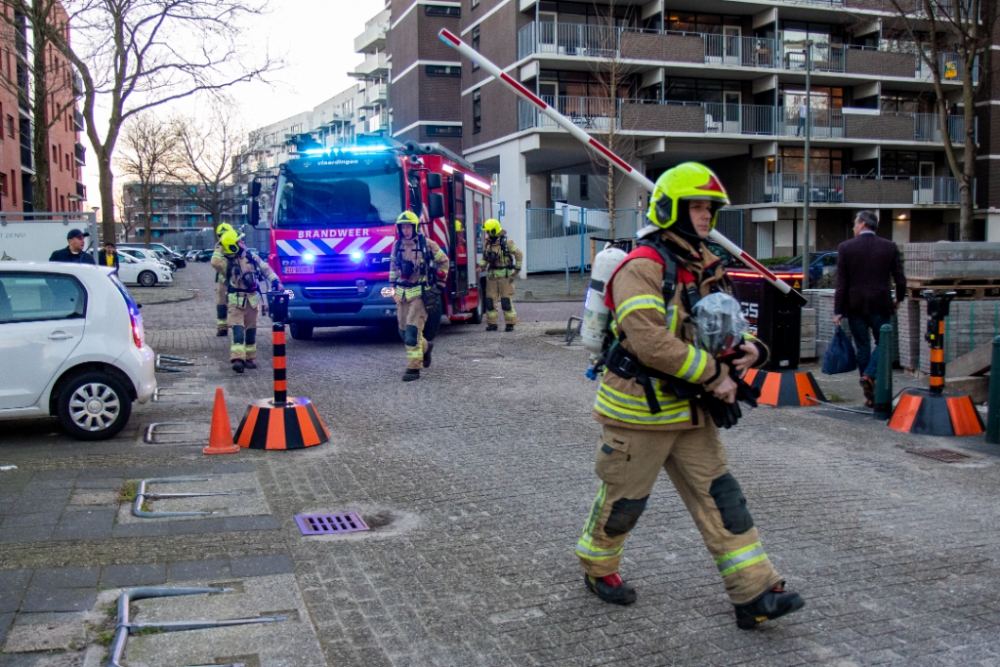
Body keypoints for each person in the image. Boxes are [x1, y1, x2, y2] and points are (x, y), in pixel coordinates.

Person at [574, 162, 804, 630]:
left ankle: (754, 591)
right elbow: (649, 342)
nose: (705, 217)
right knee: (623, 503)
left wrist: (751, 350)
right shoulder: (641, 266)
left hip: (692, 411)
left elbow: (727, 322)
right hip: (639, 413)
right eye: (696, 207)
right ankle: (597, 568)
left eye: (709, 208)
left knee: (723, 499)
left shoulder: (706, 263)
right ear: (670, 209)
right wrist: (716, 376)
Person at [834, 210, 906, 408]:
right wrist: (899, 298)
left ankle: (868, 393)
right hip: (880, 304)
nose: (854, 228)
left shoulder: (846, 248)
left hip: (854, 305)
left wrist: (838, 311)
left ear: (863, 224)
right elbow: (900, 278)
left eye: (855, 224)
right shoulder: (889, 247)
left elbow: (841, 283)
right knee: (884, 343)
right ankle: (870, 375)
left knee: (862, 347)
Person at [211, 230, 281, 374]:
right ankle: (238, 359)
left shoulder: (251, 257)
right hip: (235, 304)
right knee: (237, 330)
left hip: (252, 301)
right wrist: (220, 246)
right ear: (232, 246)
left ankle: (249, 358)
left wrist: (276, 280)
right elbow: (214, 262)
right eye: (238, 242)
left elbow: (266, 268)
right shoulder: (227, 263)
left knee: (251, 331)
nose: (242, 243)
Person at [389, 211, 448, 382]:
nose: (405, 230)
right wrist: (392, 285)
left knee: (412, 332)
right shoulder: (396, 246)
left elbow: (443, 261)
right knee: (402, 331)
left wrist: (439, 283)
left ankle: (414, 368)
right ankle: (426, 347)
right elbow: (393, 266)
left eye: (408, 227)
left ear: (414, 227)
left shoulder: (427, 245)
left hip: (420, 295)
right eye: (403, 227)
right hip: (402, 294)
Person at [477, 219, 523, 332]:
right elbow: (485, 258)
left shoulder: (506, 242)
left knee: (506, 301)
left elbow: (518, 254)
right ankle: (492, 324)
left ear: (493, 230)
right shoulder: (488, 243)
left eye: (488, 231)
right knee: (489, 301)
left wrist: (517, 270)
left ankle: (510, 324)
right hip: (492, 276)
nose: (486, 233)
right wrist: (481, 266)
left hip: (505, 277)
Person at [212, 223, 236, 337]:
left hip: (234, 279)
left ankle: (236, 326)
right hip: (224, 280)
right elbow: (216, 262)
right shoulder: (219, 246)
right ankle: (222, 328)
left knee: (236, 303)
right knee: (221, 303)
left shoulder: (234, 243)